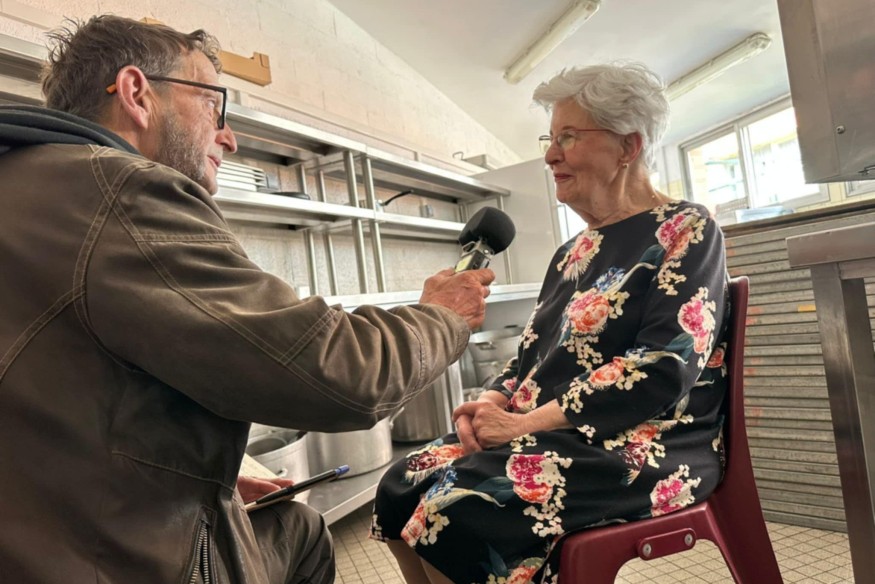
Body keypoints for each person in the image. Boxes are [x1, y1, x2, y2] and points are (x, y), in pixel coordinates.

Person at [0, 15, 495, 584]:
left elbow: (58, 401)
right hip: (111, 560)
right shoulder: (122, 192)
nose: (229, 137)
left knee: (293, 528)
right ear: (138, 94)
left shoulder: (27, 187)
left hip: (40, 531)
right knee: (303, 533)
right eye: (216, 105)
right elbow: (341, 374)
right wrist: (441, 315)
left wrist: (205, 478)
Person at [371, 62, 730, 584]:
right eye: (551, 136)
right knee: (400, 482)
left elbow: (663, 365)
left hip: (645, 441)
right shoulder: (572, 252)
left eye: (568, 136)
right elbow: (530, 356)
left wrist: (521, 425)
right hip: (553, 432)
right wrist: (493, 401)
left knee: (460, 509)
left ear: (627, 147)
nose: (549, 153)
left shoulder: (687, 228)